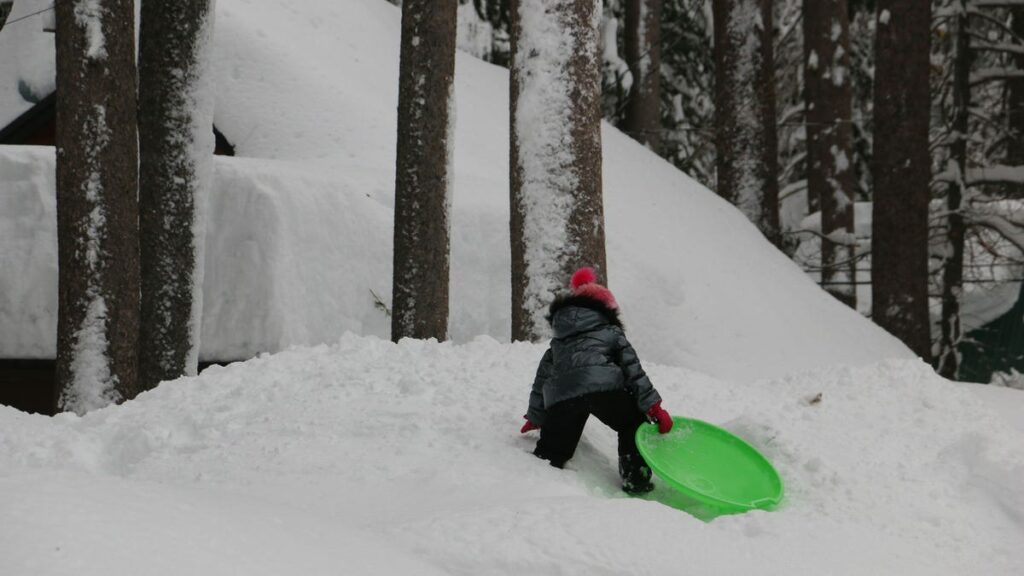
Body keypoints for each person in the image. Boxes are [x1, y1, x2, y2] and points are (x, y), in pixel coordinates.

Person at [519, 267, 673, 494]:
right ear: (606, 310)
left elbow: (542, 378)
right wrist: (653, 406)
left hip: (563, 396)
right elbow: (633, 370)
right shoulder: (611, 332)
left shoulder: (559, 341)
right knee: (632, 424)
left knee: (552, 451)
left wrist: (536, 416)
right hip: (605, 391)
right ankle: (636, 481)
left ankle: (542, 483)